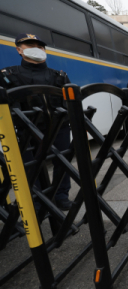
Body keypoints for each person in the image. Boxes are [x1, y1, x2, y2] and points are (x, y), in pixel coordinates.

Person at [0, 33, 72, 210]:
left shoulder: (59, 75)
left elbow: (69, 103)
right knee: (32, 166)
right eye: (30, 45)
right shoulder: (9, 75)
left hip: (59, 127)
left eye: (40, 46)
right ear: (19, 50)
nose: (37, 49)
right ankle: (37, 200)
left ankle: (61, 196)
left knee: (63, 161)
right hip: (27, 129)